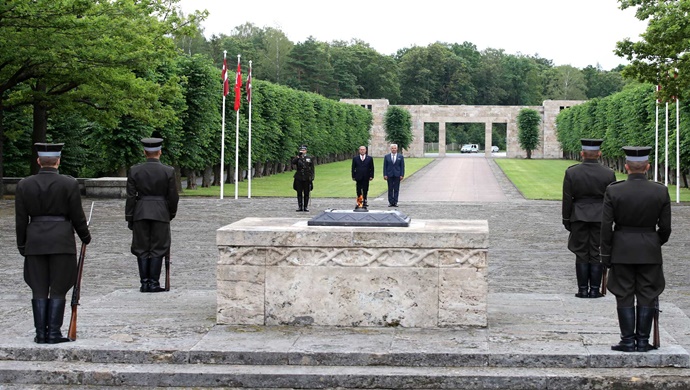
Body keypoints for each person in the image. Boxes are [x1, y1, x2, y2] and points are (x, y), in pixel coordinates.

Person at [15, 143, 91, 344]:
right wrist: (85, 236)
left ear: (39, 161)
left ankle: (41, 333)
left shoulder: (24, 184)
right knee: (59, 287)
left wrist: (22, 244)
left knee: (38, 287)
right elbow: (77, 215)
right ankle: (54, 333)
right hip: (61, 240)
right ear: (58, 161)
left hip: (35, 240)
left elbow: (21, 219)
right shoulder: (69, 184)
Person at [601, 146, 671, 353]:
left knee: (624, 294)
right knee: (648, 293)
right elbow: (665, 227)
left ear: (626, 167)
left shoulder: (614, 190)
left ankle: (628, 340)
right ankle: (643, 340)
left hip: (622, 249)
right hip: (649, 248)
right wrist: (654, 241)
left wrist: (606, 252)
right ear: (648, 167)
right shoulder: (660, 190)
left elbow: (606, 226)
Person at [562, 139, 616, 298]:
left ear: (582, 154)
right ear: (599, 154)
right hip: (600, 217)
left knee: (581, 253)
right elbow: (611, 200)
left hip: (579, 215)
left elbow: (567, 198)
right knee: (597, 252)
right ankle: (594, 290)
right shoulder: (608, 173)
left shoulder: (572, 172)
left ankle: (582, 289)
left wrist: (566, 219)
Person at [125, 137, 179, 293]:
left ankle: (144, 282)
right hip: (161, 212)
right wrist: (171, 213)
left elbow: (130, 197)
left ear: (144, 152)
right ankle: (153, 282)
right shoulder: (168, 171)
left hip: (140, 212)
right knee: (158, 247)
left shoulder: (135, 170)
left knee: (142, 248)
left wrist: (130, 217)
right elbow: (173, 196)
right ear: (160, 152)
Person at [291, 144, 315, 212]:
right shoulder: (298, 158)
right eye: (301, 150)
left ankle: (305, 207)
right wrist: (298, 156)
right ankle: (300, 206)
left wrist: (312, 177)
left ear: (306, 151)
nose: (302, 151)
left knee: (306, 193)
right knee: (299, 192)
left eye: (303, 150)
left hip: (307, 177)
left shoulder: (309, 158)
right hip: (299, 177)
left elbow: (312, 168)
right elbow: (293, 162)